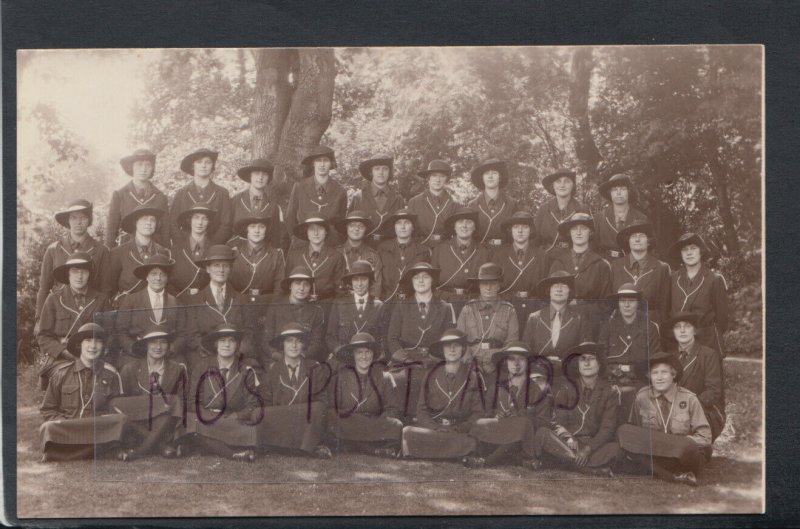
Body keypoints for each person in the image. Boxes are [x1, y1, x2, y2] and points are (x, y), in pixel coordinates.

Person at [617, 352, 712, 486]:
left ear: (674, 375)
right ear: (649, 376)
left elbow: (705, 437)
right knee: (624, 431)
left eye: (664, 373)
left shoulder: (689, 399)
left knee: (686, 446)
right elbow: (636, 432)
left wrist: (676, 444)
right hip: (657, 455)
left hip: (681, 456)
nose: (659, 378)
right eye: (655, 373)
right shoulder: (642, 397)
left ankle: (656, 470)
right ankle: (672, 475)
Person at [39, 323, 126, 462]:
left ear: (103, 346)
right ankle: (101, 450)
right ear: (79, 345)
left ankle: (64, 453)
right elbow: (47, 409)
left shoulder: (111, 375)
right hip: (70, 427)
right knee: (47, 427)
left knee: (121, 420)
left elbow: (117, 409)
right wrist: (67, 423)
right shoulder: (61, 374)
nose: (93, 346)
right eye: (88, 341)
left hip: (97, 428)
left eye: (98, 341)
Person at [533, 342, 620, 476]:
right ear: (577, 365)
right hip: (569, 444)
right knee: (543, 433)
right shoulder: (567, 388)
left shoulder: (610, 391)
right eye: (582, 359)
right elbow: (558, 422)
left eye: (591, 359)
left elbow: (607, 429)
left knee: (616, 448)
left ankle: (566, 462)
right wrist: (568, 437)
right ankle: (589, 469)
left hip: (594, 446)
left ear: (600, 363)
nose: (587, 363)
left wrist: (588, 448)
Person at [178, 324, 262, 462]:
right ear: (216, 344)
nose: (227, 345)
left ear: (237, 345)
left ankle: (204, 445)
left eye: (231, 340)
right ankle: (232, 454)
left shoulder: (246, 370)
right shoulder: (201, 367)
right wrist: (208, 416)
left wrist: (235, 416)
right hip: (205, 418)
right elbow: (192, 402)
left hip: (231, 420)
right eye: (222, 340)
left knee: (251, 428)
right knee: (191, 422)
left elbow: (252, 404)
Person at [386, 261, 456, 419]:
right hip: (406, 360)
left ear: (433, 280)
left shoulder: (444, 307)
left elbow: (448, 340)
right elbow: (392, 339)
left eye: (425, 277)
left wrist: (435, 358)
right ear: (412, 282)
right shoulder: (402, 306)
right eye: (417, 278)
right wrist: (406, 359)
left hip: (433, 360)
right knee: (401, 380)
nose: (421, 281)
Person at [400, 329, 484, 460]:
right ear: (442, 350)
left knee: (470, 441)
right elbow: (421, 411)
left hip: (458, 432)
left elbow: (478, 413)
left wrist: (459, 428)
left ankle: (433, 453)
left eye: (456, 345)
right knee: (408, 433)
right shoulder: (431, 375)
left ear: (462, 349)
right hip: (434, 431)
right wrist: (435, 427)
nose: (452, 349)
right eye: (447, 346)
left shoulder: (473, 377)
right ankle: (454, 455)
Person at [36, 252, 111, 389]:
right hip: (62, 358)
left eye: (84, 271)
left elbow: (110, 333)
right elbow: (43, 336)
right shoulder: (54, 299)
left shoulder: (101, 299)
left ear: (89, 274)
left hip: (94, 355)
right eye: (75, 271)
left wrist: (97, 353)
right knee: (69, 376)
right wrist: (65, 352)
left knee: (109, 376)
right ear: (68, 274)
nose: (80, 276)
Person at [464, 341, 545, 470]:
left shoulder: (536, 390)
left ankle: (487, 461)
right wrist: (496, 415)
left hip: (522, 440)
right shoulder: (495, 387)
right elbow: (485, 412)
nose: (516, 363)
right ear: (506, 362)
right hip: (498, 432)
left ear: (528, 362)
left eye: (521, 359)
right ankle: (515, 460)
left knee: (522, 424)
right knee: (479, 423)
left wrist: (519, 417)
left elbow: (543, 422)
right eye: (511, 359)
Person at [257, 323, 332, 459]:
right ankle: (303, 448)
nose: (294, 345)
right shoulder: (272, 370)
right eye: (289, 341)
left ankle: (295, 447)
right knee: (259, 413)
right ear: (282, 345)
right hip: (282, 419)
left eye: (298, 341)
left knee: (318, 408)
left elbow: (321, 400)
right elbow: (266, 402)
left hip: (306, 419)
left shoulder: (315, 367)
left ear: (303, 345)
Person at [115, 325, 188, 461]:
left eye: (163, 342)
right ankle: (160, 446)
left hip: (164, 423)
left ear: (168, 346)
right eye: (153, 342)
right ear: (145, 346)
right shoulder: (130, 369)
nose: (158, 347)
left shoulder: (178, 369)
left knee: (170, 408)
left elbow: (182, 401)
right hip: (137, 422)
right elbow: (123, 403)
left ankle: (138, 452)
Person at [327, 333, 403, 457]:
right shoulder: (341, 377)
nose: (364, 356)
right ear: (353, 355)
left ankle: (352, 446)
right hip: (349, 422)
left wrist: (375, 420)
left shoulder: (385, 377)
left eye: (368, 352)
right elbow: (332, 408)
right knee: (331, 418)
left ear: (373, 355)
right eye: (359, 352)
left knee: (396, 425)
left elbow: (392, 409)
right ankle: (371, 449)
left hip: (373, 423)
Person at [35, 199, 111, 320]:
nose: (78, 222)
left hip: (90, 313)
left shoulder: (101, 251)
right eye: (73, 218)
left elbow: (106, 289)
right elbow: (44, 287)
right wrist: (39, 318)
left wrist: (104, 319)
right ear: (68, 221)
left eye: (83, 218)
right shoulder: (53, 250)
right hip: (59, 314)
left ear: (89, 220)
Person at [183, 245, 251, 372]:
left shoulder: (241, 299)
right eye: (216, 265)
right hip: (206, 354)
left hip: (235, 355)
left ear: (230, 269)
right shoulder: (195, 300)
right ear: (208, 269)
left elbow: (248, 331)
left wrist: (235, 352)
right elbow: (191, 335)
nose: (221, 270)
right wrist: (212, 351)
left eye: (225, 265)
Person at [598, 283, 660, 418]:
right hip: (611, 379)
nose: (626, 305)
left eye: (631, 301)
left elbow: (655, 361)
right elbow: (601, 358)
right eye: (622, 301)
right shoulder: (608, 326)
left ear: (638, 303)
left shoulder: (650, 327)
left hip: (640, 381)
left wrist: (634, 375)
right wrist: (618, 373)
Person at [115, 254, 186, 368]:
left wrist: (171, 348)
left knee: (180, 367)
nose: (158, 278)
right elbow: (120, 331)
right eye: (153, 274)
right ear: (146, 277)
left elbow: (183, 333)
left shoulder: (176, 302)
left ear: (167, 278)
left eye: (162, 274)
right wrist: (134, 348)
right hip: (137, 354)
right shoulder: (131, 300)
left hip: (166, 354)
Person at [549, 212, 613, 337]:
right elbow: (549, 298)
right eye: (574, 229)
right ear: (569, 233)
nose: (578, 232)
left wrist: (584, 310)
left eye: (583, 228)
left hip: (592, 323)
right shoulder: (558, 262)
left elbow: (606, 304)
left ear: (591, 232)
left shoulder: (601, 264)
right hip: (562, 323)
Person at [665, 312, 726, 441]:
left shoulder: (708, 354)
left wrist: (688, 405)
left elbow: (713, 390)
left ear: (695, 331)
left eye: (687, 326)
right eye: (677, 327)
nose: (682, 330)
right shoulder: (669, 357)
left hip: (703, 409)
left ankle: (700, 448)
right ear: (673, 333)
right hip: (673, 410)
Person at [668, 232, 729, 356]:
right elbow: (668, 310)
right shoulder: (673, 279)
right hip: (679, 342)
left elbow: (722, 319)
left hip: (707, 341)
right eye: (685, 250)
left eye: (693, 248)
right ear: (680, 254)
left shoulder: (715, 279)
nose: (689, 253)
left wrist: (707, 332)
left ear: (701, 252)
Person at [457, 262, 519, 379]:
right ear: (479, 285)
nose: (488, 287)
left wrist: (495, 360)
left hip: (498, 366)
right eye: (484, 283)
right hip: (470, 365)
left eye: (493, 283)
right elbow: (460, 342)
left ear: (499, 286)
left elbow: (512, 343)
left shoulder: (509, 310)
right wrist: (471, 364)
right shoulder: (468, 309)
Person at [522, 271, 591, 375]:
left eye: (564, 286)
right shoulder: (534, 318)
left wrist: (563, 364)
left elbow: (585, 354)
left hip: (569, 375)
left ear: (570, 292)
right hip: (539, 373)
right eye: (555, 286)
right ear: (548, 291)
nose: (559, 289)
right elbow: (526, 352)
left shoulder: (579, 319)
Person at [495, 211, 551, 329]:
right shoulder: (499, 255)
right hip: (507, 307)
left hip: (535, 307)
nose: (520, 231)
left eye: (524, 227)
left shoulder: (542, 256)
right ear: (510, 230)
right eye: (516, 227)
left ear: (531, 230)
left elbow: (546, 290)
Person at [260, 266, 326, 367]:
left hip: (304, 360)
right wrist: (279, 357)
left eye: (306, 284)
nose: (301, 288)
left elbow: (316, 343)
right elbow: (266, 340)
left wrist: (299, 357)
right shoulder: (275, 308)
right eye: (297, 283)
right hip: (277, 360)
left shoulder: (316, 312)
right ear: (290, 285)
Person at [431, 207, 491, 315]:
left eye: (469, 222)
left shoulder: (484, 251)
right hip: (445, 303)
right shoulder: (440, 249)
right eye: (460, 222)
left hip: (474, 304)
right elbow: (432, 283)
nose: (464, 225)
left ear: (474, 227)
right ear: (454, 226)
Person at [285, 145, 348, 248]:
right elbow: (290, 218)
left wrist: (336, 240)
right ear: (313, 163)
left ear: (331, 164)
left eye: (326, 160)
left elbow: (340, 223)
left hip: (330, 245)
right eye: (318, 160)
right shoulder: (299, 187)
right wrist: (296, 239)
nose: (322, 164)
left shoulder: (340, 191)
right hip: (302, 244)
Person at [106, 149, 170, 248]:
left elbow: (165, 230)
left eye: (147, 165)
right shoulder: (120, 195)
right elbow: (111, 230)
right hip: (127, 249)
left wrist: (167, 253)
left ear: (152, 168)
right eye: (139, 164)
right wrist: (108, 254)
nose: (143, 169)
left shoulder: (160, 196)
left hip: (155, 249)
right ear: (132, 167)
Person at [109, 204, 171, 305]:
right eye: (144, 219)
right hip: (128, 309)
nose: (149, 223)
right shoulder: (118, 253)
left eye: (152, 220)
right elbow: (110, 288)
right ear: (135, 223)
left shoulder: (162, 252)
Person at [168, 148, 233, 245]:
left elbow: (226, 224)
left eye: (208, 162)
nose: (203, 165)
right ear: (192, 166)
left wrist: (212, 246)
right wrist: (184, 245)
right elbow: (173, 224)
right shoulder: (181, 194)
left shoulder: (222, 193)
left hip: (214, 248)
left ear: (212, 166)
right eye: (199, 162)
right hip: (185, 248)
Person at [326, 261, 386, 364]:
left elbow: (383, 339)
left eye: (363, 279)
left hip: (369, 360)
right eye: (355, 279)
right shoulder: (339, 304)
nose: (359, 284)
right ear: (351, 282)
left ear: (370, 281)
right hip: (343, 359)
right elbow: (330, 336)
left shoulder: (379, 306)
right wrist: (341, 352)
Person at [611, 221, 671, 325]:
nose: (637, 239)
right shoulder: (615, 266)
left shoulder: (662, 268)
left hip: (650, 325)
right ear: (628, 241)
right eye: (634, 236)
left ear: (649, 241)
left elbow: (664, 306)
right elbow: (610, 303)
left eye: (642, 236)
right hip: (621, 325)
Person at [286, 214, 347, 302]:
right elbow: (287, 286)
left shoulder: (336, 257)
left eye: (320, 228)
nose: (316, 233)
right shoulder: (294, 255)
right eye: (311, 229)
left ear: (326, 231)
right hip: (300, 306)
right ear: (306, 232)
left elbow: (339, 290)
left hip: (327, 306)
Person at [350, 153, 405, 247]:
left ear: (389, 172)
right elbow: (350, 227)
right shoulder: (358, 197)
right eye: (377, 168)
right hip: (364, 247)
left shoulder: (397, 198)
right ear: (371, 172)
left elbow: (402, 228)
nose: (381, 172)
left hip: (390, 249)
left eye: (385, 168)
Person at [377, 208, 431, 302]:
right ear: (394, 227)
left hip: (413, 301)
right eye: (398, 223)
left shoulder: (424, 251)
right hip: (387, 301)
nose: (402, 226)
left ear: (413, 227)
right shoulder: (383, 248)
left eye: (406, 223)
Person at [231, 158, 286, 249]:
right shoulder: (235, 201)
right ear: (250, 176)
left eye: (264, 175)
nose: (260, 178)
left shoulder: (273, 206)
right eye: (257, 174)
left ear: (268, 178)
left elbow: (276, 237)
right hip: (238, 253)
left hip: (263, 255)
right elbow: (229, 230)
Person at [467, 158, 522, 249]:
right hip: (480, 252)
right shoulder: (473, 205)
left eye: (494, 173)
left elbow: (518, 232)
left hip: (505, 251)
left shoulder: (512, 204)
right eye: (487, 173)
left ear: (500, 178)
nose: (490, 176)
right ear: (482, 178)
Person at [228, 214, 286, 300]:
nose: (257, 231)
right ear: (246, 229)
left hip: (267, 305)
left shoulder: (276, 255)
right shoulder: (234, 253)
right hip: (239, 304)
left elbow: (279, 289)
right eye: (252, 226)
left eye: (261, 227)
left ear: (266, 230)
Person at [595, 173, 650, 260]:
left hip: (630, 265)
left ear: (629, 191)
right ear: (610, 193)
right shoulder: (599, 217)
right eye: (614, 189)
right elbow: (593, 247)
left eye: (623, 189)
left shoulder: (641, 218)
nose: (618, 193)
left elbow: (646, 249)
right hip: (605, 265)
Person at [168, 201, 216, 302]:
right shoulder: (175, 251)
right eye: (196, 217)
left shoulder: (215, 250)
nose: (200, 222)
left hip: (207, 303)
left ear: (209, 222)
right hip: (180, 302)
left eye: (204, 218)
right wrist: (179, 297)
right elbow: (168, 283)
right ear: (189, 220)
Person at [534, 168, 590, 252]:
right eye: (558, 181)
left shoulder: (582, 208)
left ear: (573, 185)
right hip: (546, 257)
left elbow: (590, 240)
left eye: (567, 181)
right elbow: (535, 239)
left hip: (572, 257)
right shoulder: (544, 209)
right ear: (553, 185)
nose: (562, 185)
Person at [407, 160, 457, 248]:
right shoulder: (414, 202)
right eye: (434, 175)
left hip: (446, 248)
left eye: (442, 176)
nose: (438, 180)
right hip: (421, 248)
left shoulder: (454, 204)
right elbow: (409, 231)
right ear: (428, 178)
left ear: (447, 179)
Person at [335, 210, 383, 298]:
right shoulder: (336, 253)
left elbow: (376, 287)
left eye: (360, 226)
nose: (356, 229)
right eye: (352, 225)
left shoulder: (373, 255)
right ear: (346, 228)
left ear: (366, 230)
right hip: (338, 303)